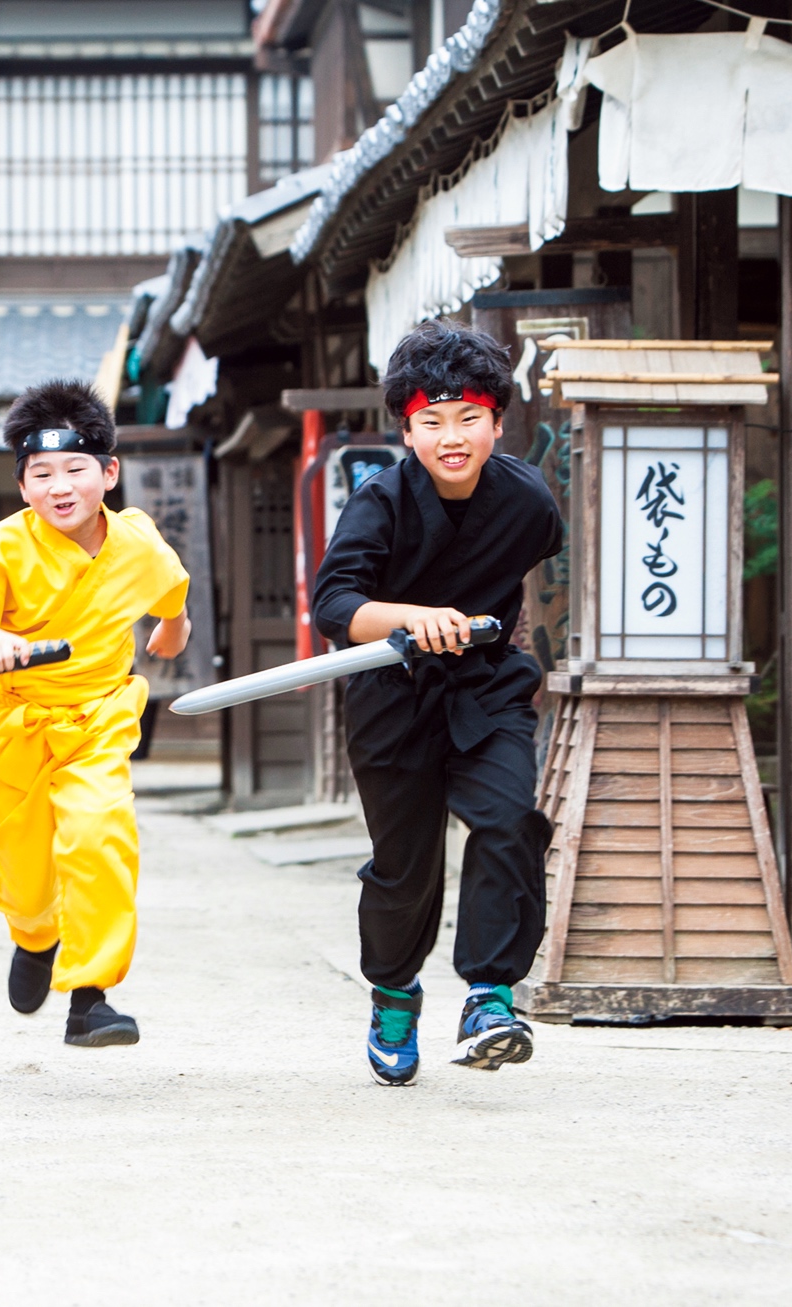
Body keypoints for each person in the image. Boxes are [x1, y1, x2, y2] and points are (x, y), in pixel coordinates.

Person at [311, 318, 563, 1087]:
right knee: (405, 869)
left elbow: (539, 590)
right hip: (395, 695)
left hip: (487, 688)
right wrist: (414, 619)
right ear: (408, 428)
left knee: (509, 819)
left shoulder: (527, 502)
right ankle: (394, 992)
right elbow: (334, 606)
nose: (452, 437)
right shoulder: (379, 503)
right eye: (431, 422)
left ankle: (490, 995)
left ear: (497, 419)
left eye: (469, 419)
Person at [0, 380, 190, 1048]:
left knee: (100, 836)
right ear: (22, 486)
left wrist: (173, 628)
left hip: (98, 718)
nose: (60, 486)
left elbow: (172, 590)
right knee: (27, 869)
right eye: (41, 473)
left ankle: (91, 996)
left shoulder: (137, 542)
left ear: (109, 472)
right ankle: (35, 936)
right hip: (15, 723)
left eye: (75, 469)